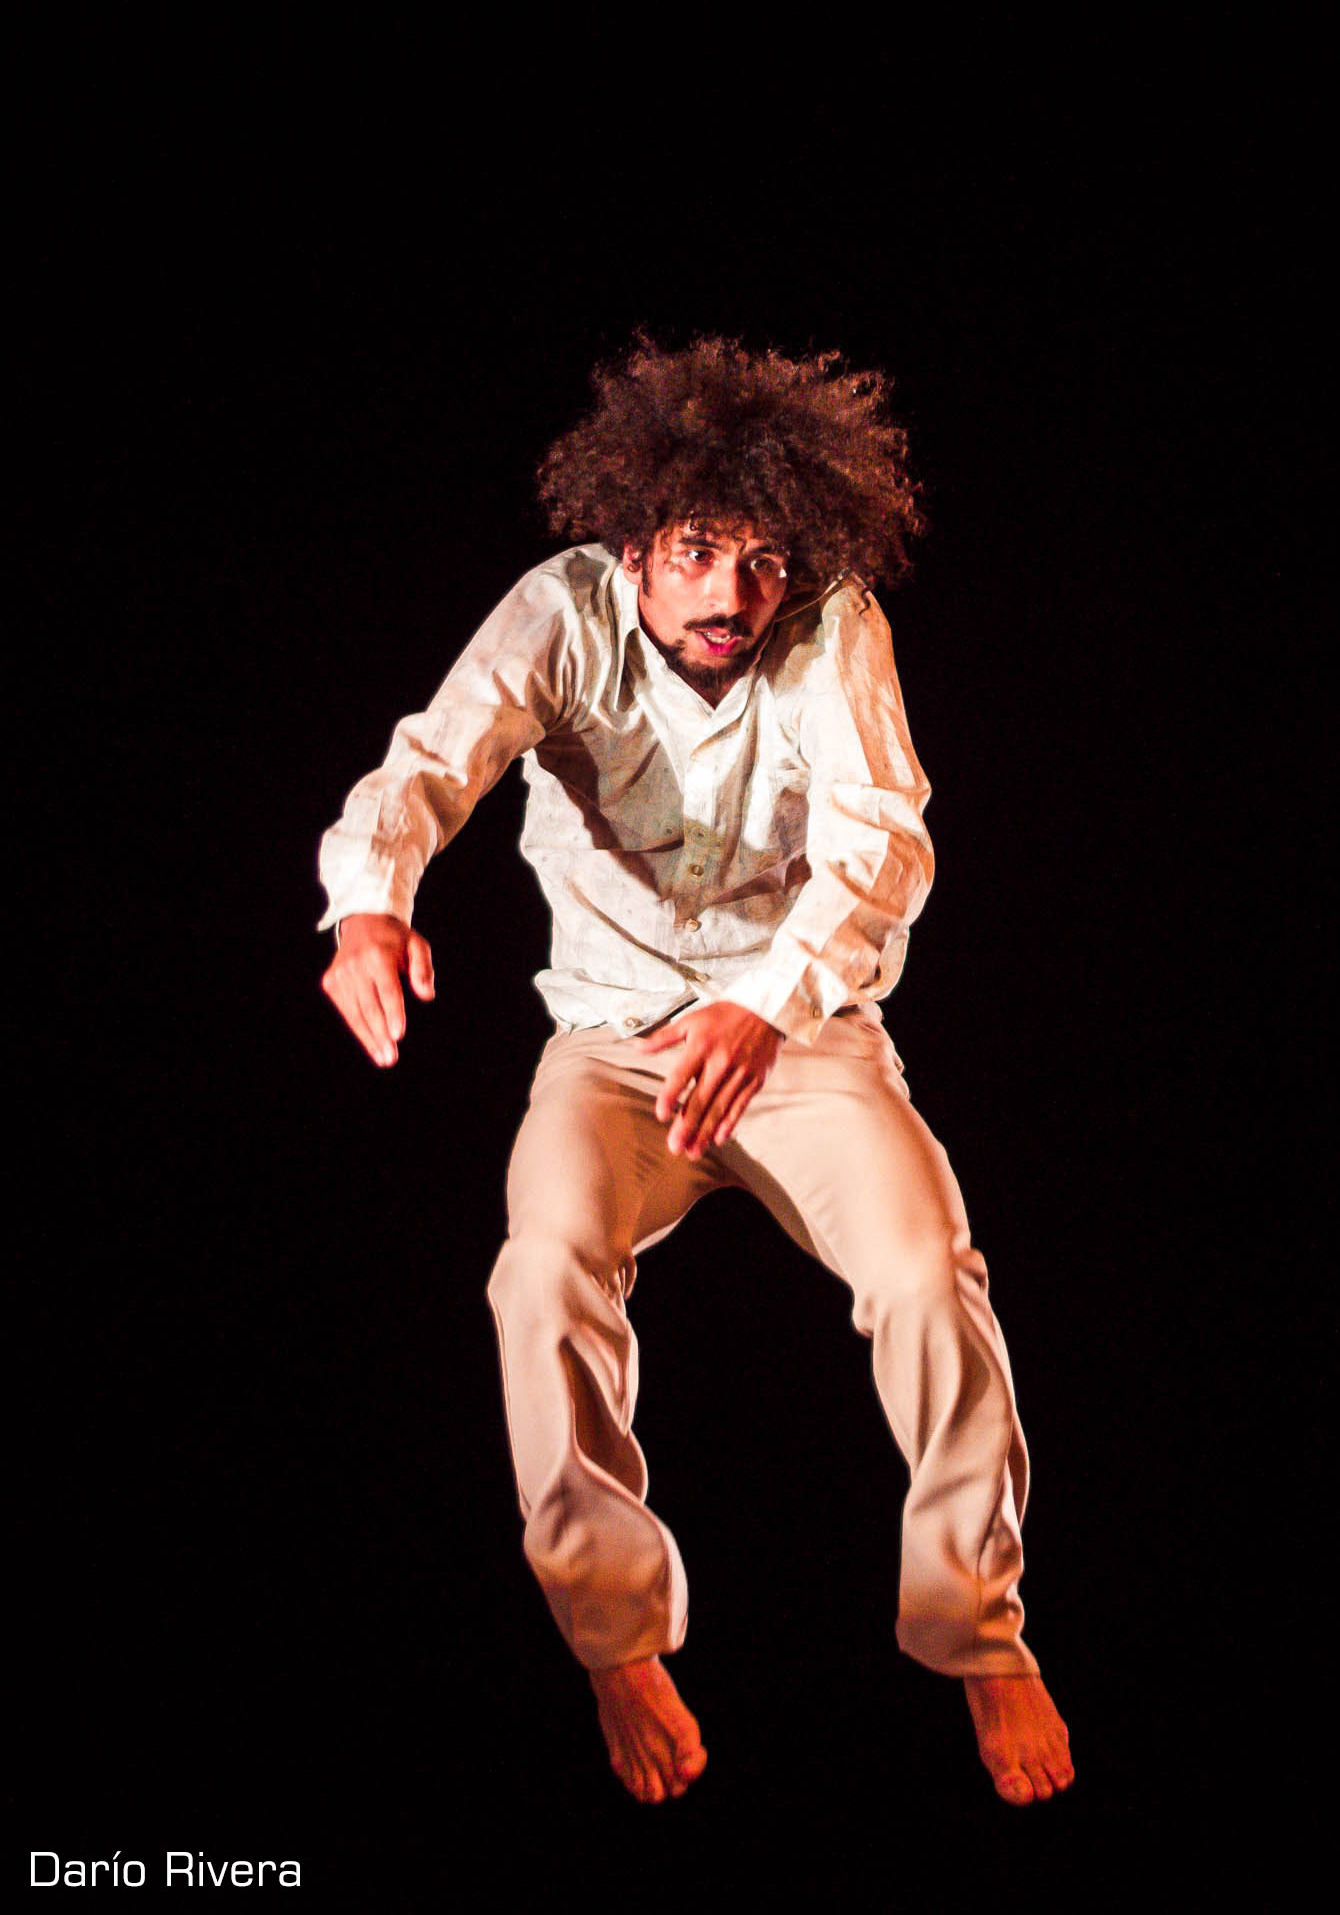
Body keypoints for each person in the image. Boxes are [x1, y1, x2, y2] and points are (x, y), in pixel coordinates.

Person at [317, 338, 1073, 1809]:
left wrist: (768, 1008)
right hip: (614, 1045)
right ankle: (614, 1632)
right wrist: (369, 905)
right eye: (701, 556)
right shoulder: (562, 614)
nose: (734, 596)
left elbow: (883, 840)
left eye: (766, 561)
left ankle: (978, 1628)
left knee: (929, 1275)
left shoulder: (831, 625)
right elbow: (428, 764)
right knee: (542, 1273)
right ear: (634, 549)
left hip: (799, 1034)